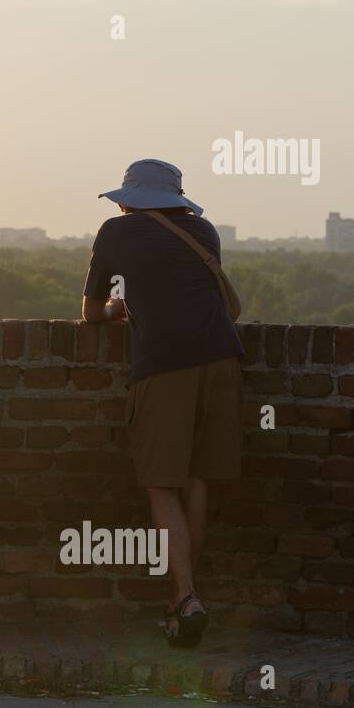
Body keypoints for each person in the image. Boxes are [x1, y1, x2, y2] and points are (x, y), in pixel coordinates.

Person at [81, 158, 243, 647]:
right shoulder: (205, 231)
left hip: (164, 364)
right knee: (196, 478)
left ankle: (187, 595)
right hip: (222, 360)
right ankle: (180, 603)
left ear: (128, 198)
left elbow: (91, 312)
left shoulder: (115, 232)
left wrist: (114, 310)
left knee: (159, 481)